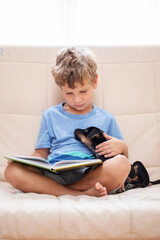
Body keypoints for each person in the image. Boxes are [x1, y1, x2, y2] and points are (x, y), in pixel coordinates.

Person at [4, 47, 131, 197]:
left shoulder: (106, 118)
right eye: (69, 93)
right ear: (61, 88)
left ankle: (62, 191)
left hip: (90, 174)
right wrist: (25, 163)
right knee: (11, 171)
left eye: (83, 91)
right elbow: (41, 153)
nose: (77, 99)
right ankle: (77, 193)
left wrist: (122, 146)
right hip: (55, 173)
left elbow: (122, 158)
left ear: (94, 81)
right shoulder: (51, 115)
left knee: (121, 164)